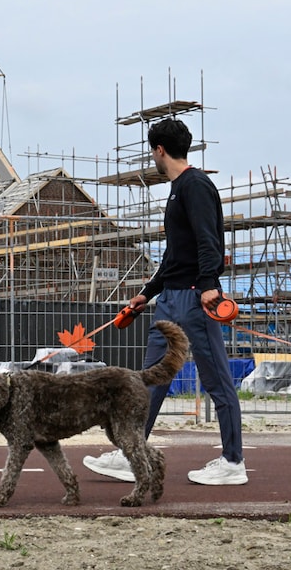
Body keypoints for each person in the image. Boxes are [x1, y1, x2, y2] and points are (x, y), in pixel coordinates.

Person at [83, 117, 247, 486]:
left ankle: (233, 462)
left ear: (159, 150)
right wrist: (147, 293)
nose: (151, 158)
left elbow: (210, 242)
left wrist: (208, 286)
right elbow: (176, 253)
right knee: (149, 379)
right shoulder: (177, 190)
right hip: (169, 299)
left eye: (151, 152)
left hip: (194, 298)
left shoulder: (196, 185)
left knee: (217, 379)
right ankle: (133, 453)